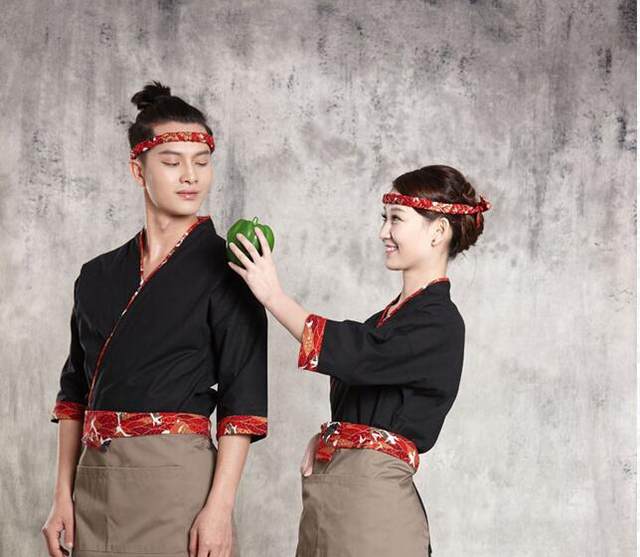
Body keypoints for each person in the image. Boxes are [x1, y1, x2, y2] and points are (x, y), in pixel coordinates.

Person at [41, 81, 268, 557]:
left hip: (176, 485)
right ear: (137, 169)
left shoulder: (234, 268)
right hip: (94, 482)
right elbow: (74, 391)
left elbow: (242, 400)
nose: (190, 177)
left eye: (201, 162)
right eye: (171, 162)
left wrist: (220, 508)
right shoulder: (96, 275)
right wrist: (62, 496)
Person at [227, 165, 491, 556]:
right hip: (333, 501)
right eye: (384, 219)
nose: (383, 231)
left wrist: (274, 297)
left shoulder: (439, 322)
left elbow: (357, 355)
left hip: (373, 510)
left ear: (438, 231)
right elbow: (365, 373)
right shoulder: (385, 320)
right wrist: (333, 435)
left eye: (396, 219)